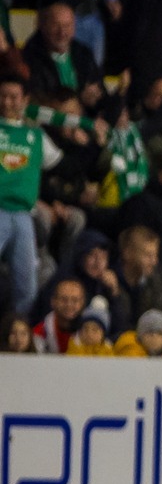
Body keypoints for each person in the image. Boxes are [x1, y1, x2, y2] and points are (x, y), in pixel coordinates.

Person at [0, 77, 63, 317]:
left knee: (26, 283)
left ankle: (20, 335)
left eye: (13, 97)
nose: (7, 102)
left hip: (25, 214)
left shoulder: (35, 135)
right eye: (3, 95)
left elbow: (60, 165)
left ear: (25, 100)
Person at [22, 4, 103, 109]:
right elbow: (38, 95)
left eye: (67, 26)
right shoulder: (31, 55)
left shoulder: (83, 53)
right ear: (43, 26)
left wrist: (96, 94)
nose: (62, 32)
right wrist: (79, 99)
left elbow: (99, 84)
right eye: (56, 25)